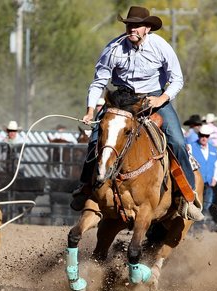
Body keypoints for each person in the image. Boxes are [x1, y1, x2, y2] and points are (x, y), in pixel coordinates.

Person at [71, 6, 204, 221]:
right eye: (129, 25)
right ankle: (85, 187)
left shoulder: (161, 47)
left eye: (136, 25)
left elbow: (177, 79)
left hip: (153, 98)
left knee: (178, 142)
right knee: (96, 138)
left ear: (147, 28)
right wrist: (89, 110)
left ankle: (188, 197)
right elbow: (99, 81)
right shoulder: (113, 48)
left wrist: (161, 99)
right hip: (121, 99)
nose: (131, 29)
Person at [190, 124, 217, 231]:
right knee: (195, 204)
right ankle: (195, 226)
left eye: (206, 136)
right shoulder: (190, 147)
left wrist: (215, 178)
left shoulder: (213, 150)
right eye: (202, 135)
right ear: (199, 135)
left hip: (208, 183)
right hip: (194, 183)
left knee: (206, 203)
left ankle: (198, 225)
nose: (204, 138)